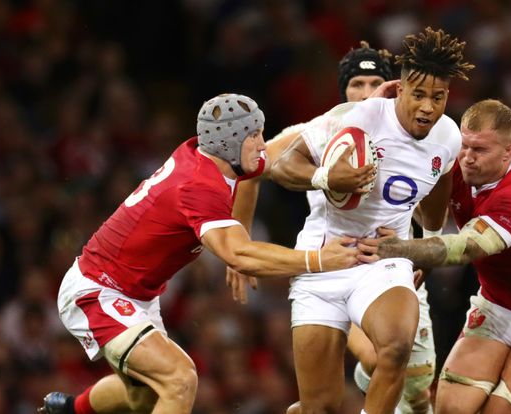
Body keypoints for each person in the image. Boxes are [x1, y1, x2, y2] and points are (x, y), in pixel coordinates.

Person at [37, 94, 360, 414]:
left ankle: (69, 410)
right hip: (99, 290)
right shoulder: (197, 186)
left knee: (145, 397)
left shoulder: (216, 154)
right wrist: (319, 260)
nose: (262, 144)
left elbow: (280, 155)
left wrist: (341, 132)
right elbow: (237, 254)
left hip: (137, 293)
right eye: (255, 136)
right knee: (179, 378)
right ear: (231, 142)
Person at [268, 27, 473, 414]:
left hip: (382, 258)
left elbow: (439, 185)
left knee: (395, 349)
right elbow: (281, 165)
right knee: (318, 408)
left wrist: (426, 245)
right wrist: (327, 177)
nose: (428, 107)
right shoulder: (356, 117)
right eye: (419, 95)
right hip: (325, 257)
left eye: (438, 97)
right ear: (401, 89)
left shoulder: (448, 135)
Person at [228, 41, 437, 413]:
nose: (366, 93)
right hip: (331, 259)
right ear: (344, 90)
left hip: (385, 264)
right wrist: (237, 247)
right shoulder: (319, 130)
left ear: (393, 91)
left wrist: (418, 249)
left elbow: (424, 208)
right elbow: (251, 171)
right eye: (357, 84)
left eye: (376, 83)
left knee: (416, 382)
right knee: (349, 382)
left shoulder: (414, 142)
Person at [358, 99, 511, 414]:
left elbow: (466, 248)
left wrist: (396, 248)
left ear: (508, 151)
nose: (467, 158)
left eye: (480, 150)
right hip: (497, 304)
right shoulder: (453, 164)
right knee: (450, 409)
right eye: (465, 146)